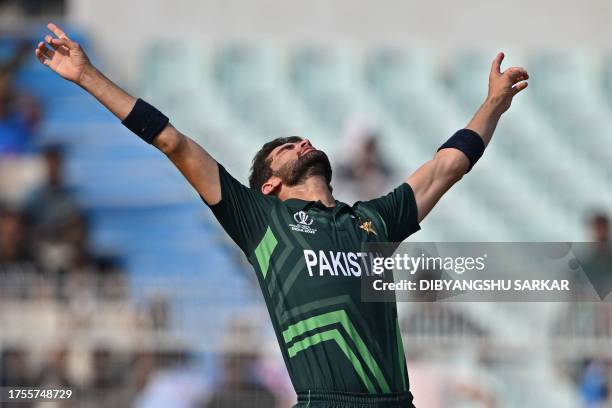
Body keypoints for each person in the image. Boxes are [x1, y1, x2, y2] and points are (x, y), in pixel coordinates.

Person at [34, 23, 528, 408]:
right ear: (270, 183)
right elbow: (172, 141)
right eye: (289, 147)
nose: (304, 143)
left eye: (304, 139)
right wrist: (88, 77)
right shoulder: (259, 218)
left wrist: (492, 105)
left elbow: (446, 167)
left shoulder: (374, 222)